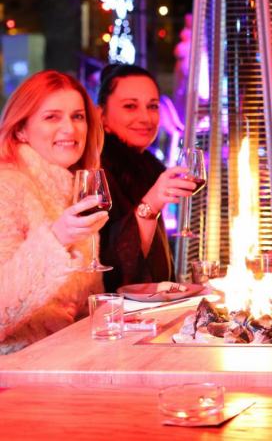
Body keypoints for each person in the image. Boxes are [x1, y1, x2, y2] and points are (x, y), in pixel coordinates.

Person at [0, 70, 108, 354]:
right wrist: (56, 239)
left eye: (77, 116)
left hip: (67, 358)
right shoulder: (6, 186)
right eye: (52, 117)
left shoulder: (71, 189)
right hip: (16, 368)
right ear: (20, 129)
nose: (70, 129)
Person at [96, 64, 196, 292]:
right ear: (102, 115)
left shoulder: (148, 168)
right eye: (130, 106)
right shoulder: (97, 172)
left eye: (152, 106)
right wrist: (149, 206)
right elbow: (110, 269)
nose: (145, 117)